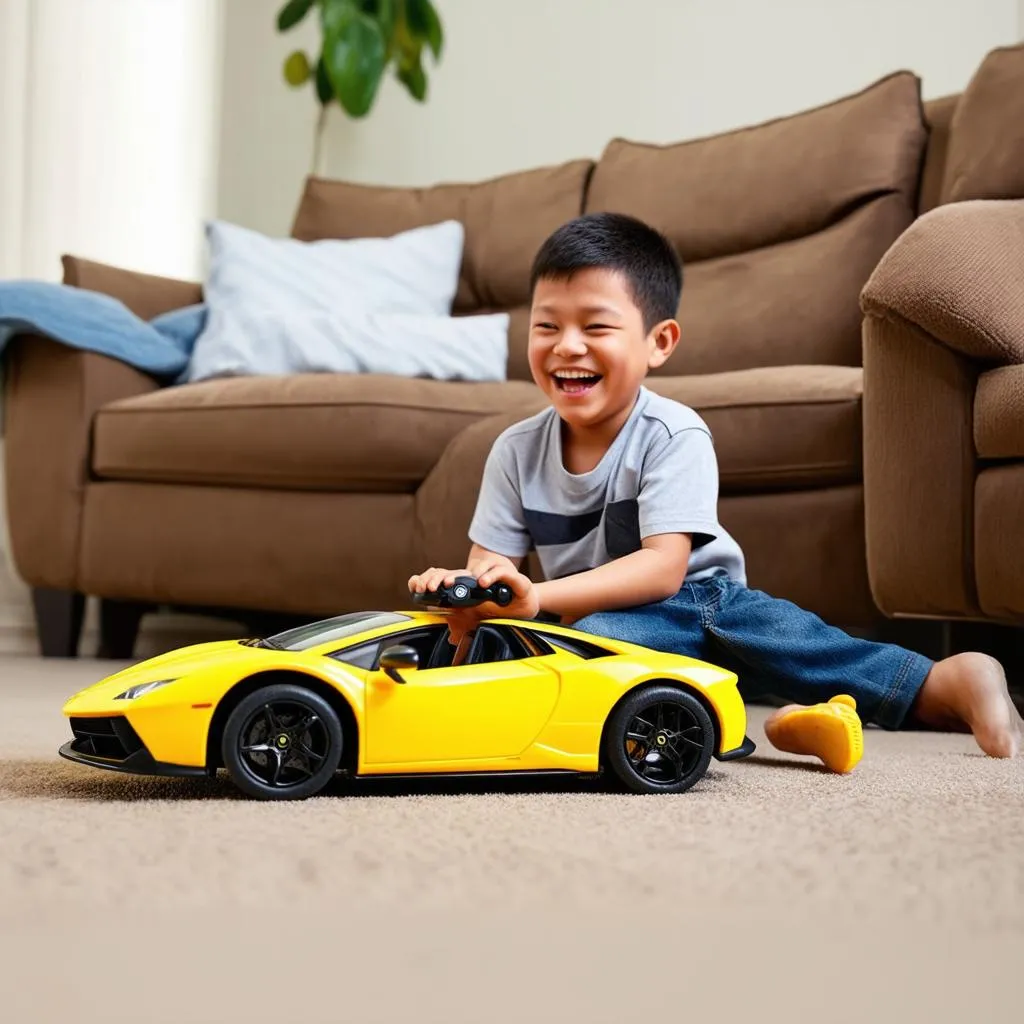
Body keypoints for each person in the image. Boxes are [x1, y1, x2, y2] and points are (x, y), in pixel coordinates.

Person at [409, 212, 1022, 764]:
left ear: (659, 343)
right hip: (597, 625)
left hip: (701, 606)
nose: (567, 346)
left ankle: (950, 680)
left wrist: (540, 599)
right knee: (536, 653)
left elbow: (662, 571)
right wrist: (465, 595)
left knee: (801, 649)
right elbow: (492, 569)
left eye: (596, 326)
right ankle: (807, 722)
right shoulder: (515, 449)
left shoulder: (673, 432)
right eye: (547, 326)